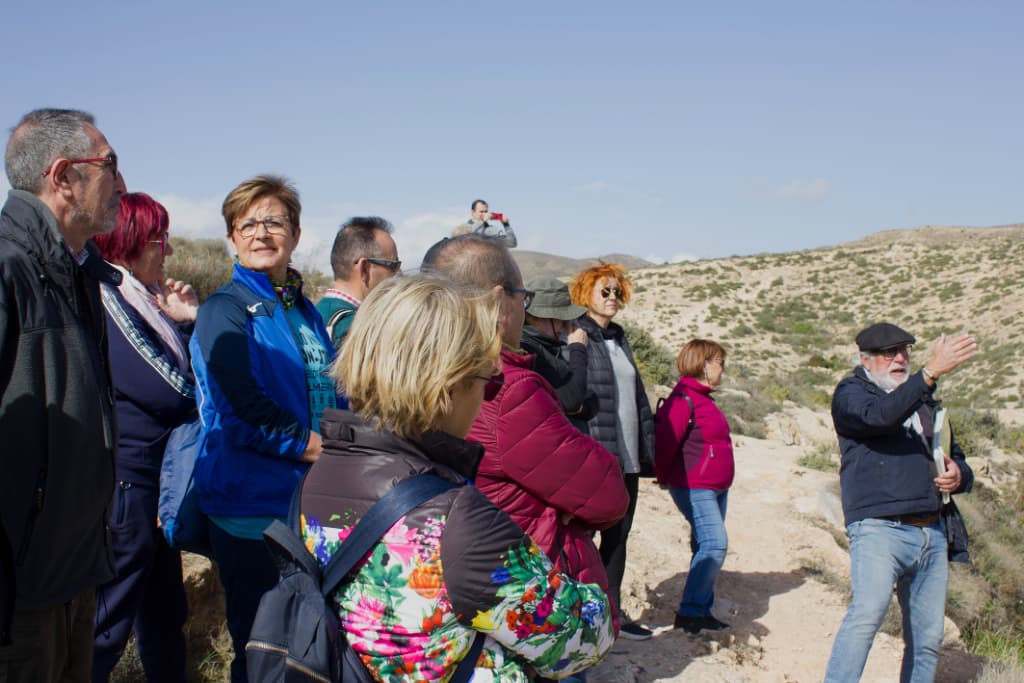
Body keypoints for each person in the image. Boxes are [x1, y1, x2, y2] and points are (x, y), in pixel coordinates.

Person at [301, 275, 617, 682]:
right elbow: (583, 641)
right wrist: (589, 595)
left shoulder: (316, 479)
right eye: (484, 382)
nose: (485, 397)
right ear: (449, 384)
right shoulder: (456, 519)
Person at [422, 236, 627, 627]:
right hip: (526, 581)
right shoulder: (507, 387)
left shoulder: (415, 369)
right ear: (500, 301)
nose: (523, 308)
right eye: (522, 297)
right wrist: (561, 505)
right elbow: (608, 496)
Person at [190, 175, 342, 683]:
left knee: (312, 645)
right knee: (262, 649)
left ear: (295, 234)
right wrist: (318, 447)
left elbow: (328, 392)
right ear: (232, 238)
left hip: (306, 503)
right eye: (246, 224)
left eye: (273, 221)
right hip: (251, 510)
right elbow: (241, 410)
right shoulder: (224, 311)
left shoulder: (304, 310)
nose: (260, 233)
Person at [0, 108, 126, 682]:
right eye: (109, 164)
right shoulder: (8, 270)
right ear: (63, 175)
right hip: (22, 588)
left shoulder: (76, 273)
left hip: (71, 572)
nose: (121, 183)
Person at [824, 323, 977, 683]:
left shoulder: (924, 401)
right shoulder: (851, 394)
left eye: (905, 352)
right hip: (880, 529)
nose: (900, 359)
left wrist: (960, 475)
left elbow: (955, 455)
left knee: (926, 641)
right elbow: (880, 416)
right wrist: (928, 374)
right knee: (866, 618)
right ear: (865, 359)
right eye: (889, 353)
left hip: (932, 532)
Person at [90, 193, 195, 681]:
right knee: (107, 624)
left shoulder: (143, 301)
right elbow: (171, 389)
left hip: (154, 487)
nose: (167, 252)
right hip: (129, 488)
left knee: (163, 616)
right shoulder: (110, 298)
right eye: (160, 240)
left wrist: (185, 323)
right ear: (130, 243)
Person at [570, 262, 656, 641]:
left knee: (619, 538)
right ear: (585, 293)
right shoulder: (576, 335)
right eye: (604, 292)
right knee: (584, 537)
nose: (612, 299)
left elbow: (636, 398)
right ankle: (580, 616)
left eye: (616, 292)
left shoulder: (620, 338)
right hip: (596, 455)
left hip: (628, 456)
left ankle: (613, 616)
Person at [654, 339, 734, 635]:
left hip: (716, 488)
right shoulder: (683, 399)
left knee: (704, 543)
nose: (723, 369)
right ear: (704, 364)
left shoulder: (705, 398)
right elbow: (666, 444)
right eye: (720, 363)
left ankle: (701, 610)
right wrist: (663, 477)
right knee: (715, 543)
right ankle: (689, 612)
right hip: (694, 486)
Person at [519, 276, 598, 431]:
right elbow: (571, 400)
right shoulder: (529, 351)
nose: (566, 325)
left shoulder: (547, 347)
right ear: (538, 317)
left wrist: (581, 408)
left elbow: (590, 398)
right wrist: (577, 348)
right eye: (561, 318)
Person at [316, 215, 401, 348]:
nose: (397, 275)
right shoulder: (357, 329)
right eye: (393, 265)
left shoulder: (311, 314)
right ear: (365, 269)